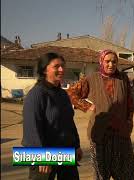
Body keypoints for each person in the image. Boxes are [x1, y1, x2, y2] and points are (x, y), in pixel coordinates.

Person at [67, 49, 134, 180]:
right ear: (101, 61)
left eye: (114, 62)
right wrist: (87, 106)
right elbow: (71, 93)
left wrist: (129, 124)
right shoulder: (92, 79)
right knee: (101, 175)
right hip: (99, 135)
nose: (111, 65)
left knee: (126, 173)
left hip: (121, 134)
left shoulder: (123, 79)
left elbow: (130, 105)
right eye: (107, 61)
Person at [22, 52, 82, 180]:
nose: (61, 69)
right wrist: (41, 157)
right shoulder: (36, 94)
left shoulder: (63, 95)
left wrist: (76, 145)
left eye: (63, 66)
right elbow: (31, 128)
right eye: (56, 66)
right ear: (44, 70)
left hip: (65, 151)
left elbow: (69, 123)